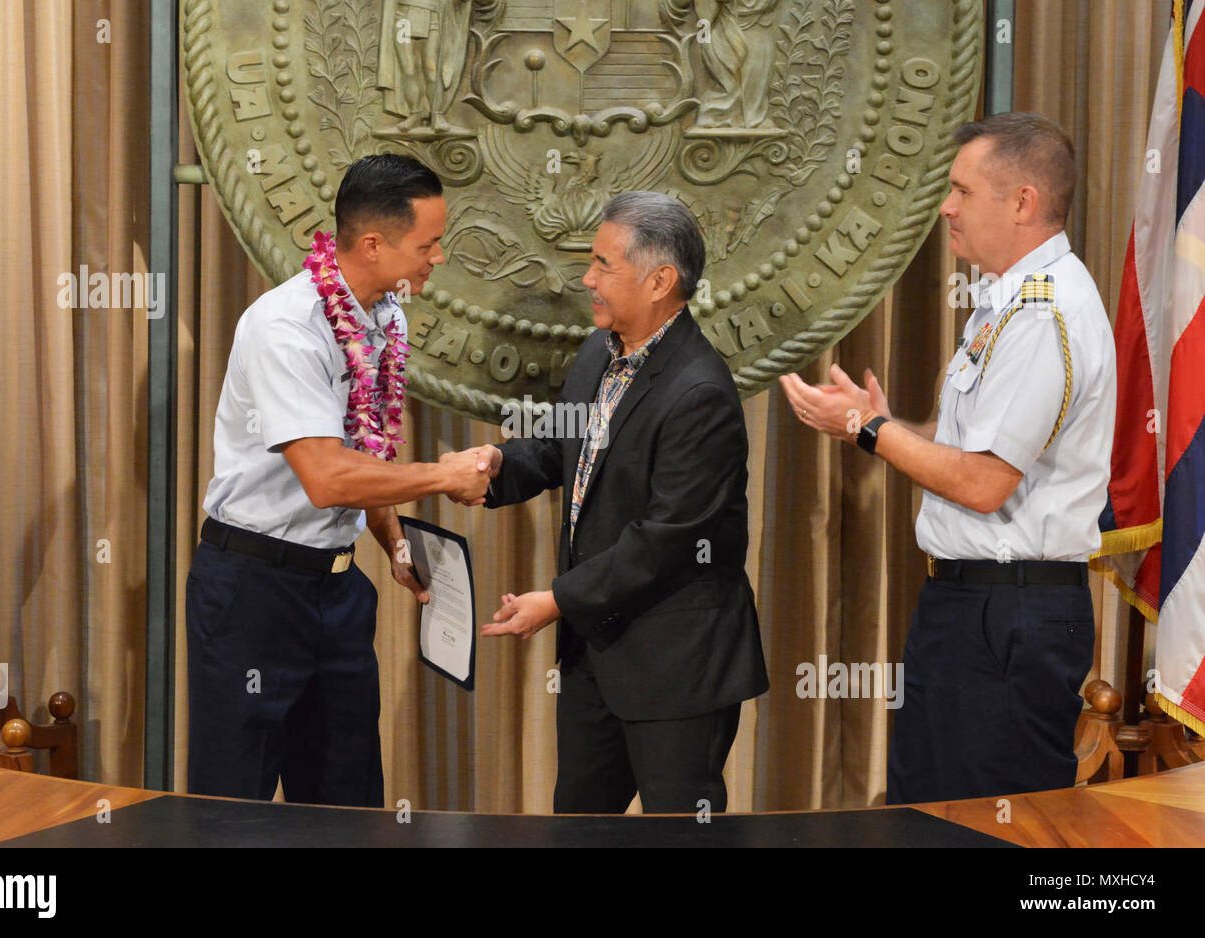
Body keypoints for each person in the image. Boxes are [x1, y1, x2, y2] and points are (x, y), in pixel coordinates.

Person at [780, 112, 1116, 803]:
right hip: (970, 607)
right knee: (927, 812)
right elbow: (964, 443)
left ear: (1022, 202)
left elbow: (985, 483)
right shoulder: (1003, 304)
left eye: (962, 191)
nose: (946, 206)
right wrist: (878, 424)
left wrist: (870, 430)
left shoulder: (1045, 314)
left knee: (984, 822)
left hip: (1009, 617)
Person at [186, 154, 492, 807]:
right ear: (374, 244)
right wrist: (442, 475)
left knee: (345, 801)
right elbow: (326, 477)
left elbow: (365, 451)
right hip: (253, 595)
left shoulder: (385, 317)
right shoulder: (285, 326)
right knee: (232, 804)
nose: (437, 258)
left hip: (338, 594)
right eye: (428, 244)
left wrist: (396, 546)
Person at [469, 191, 769, 815]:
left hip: (676, 669)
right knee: (578, 827)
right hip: (595, 659)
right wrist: (495, 468)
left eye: (604, 264)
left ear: (661, 281)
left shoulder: (699, 392)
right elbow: (559, 448)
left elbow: (665, 539)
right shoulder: (597, 353)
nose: (587, 279)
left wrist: (555, 600)